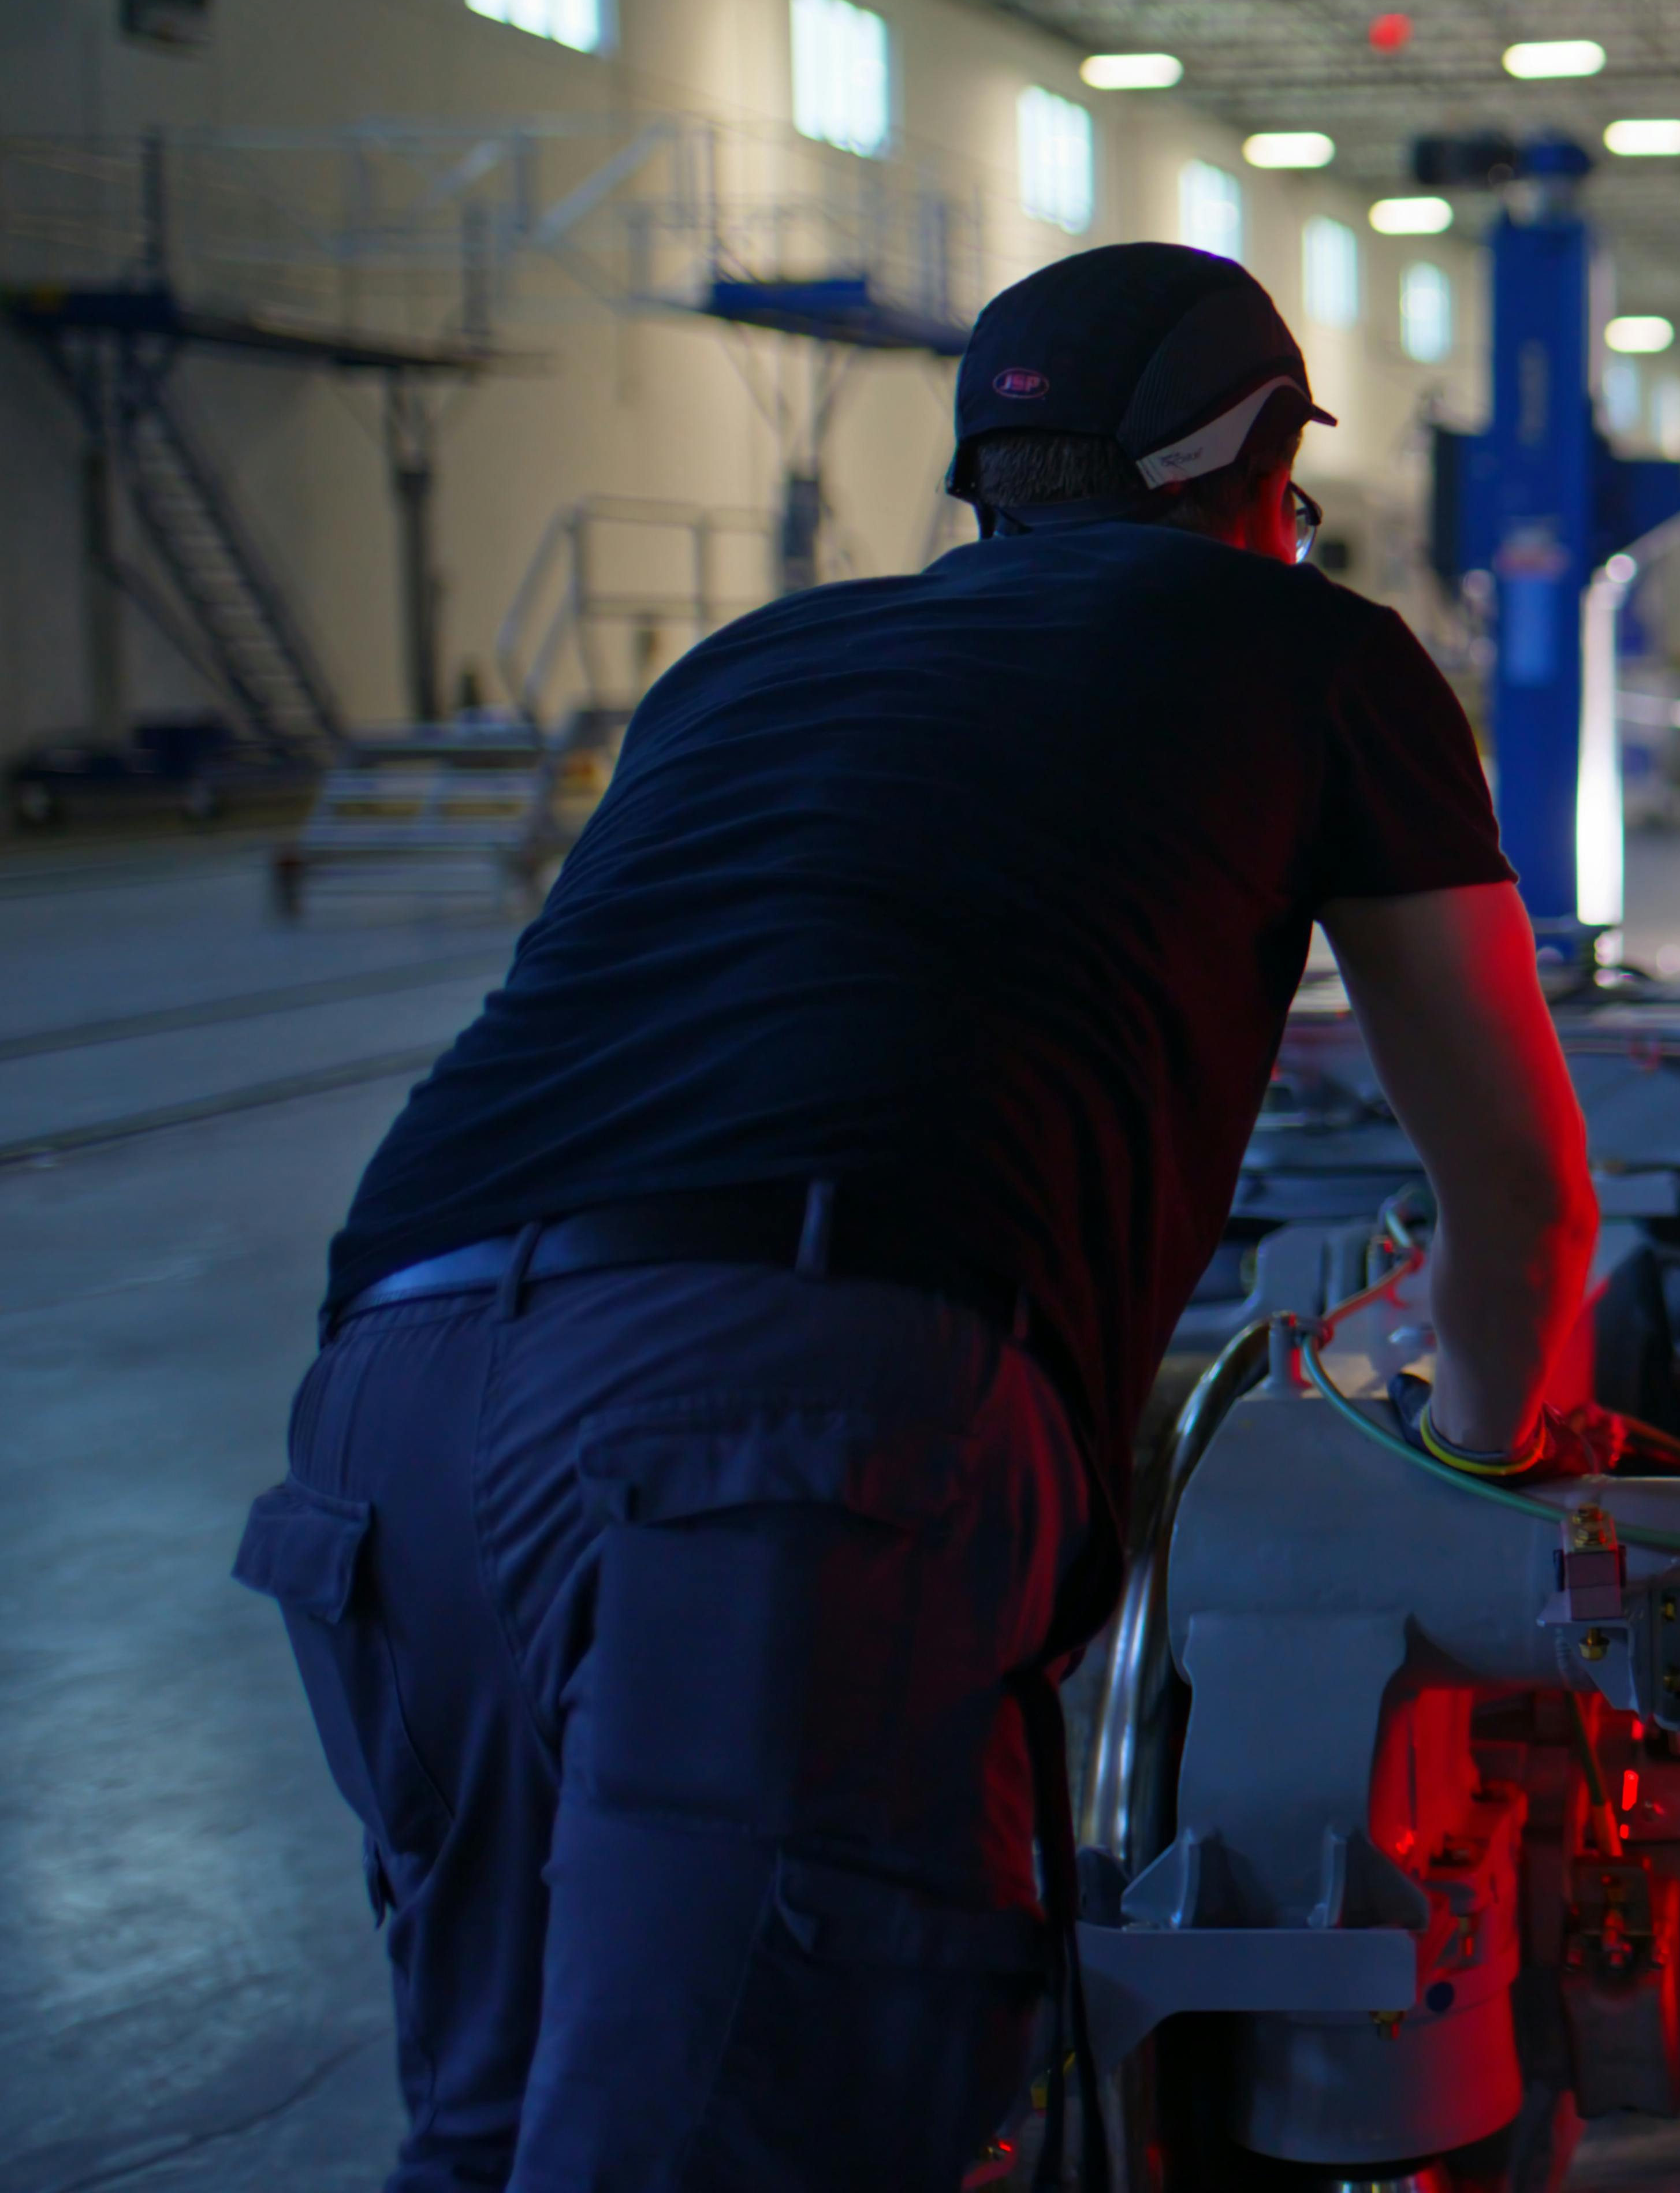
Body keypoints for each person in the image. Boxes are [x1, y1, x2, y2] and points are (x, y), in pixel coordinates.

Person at [231, 243, 1601, 2191]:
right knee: (743, 2138)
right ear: (1266, 484)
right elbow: (1521, 1197)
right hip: (776, 1407)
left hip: (393, 1404)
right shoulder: (1313, 653)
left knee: (494, 2125)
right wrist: (1493, 1458)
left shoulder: (747, 664)